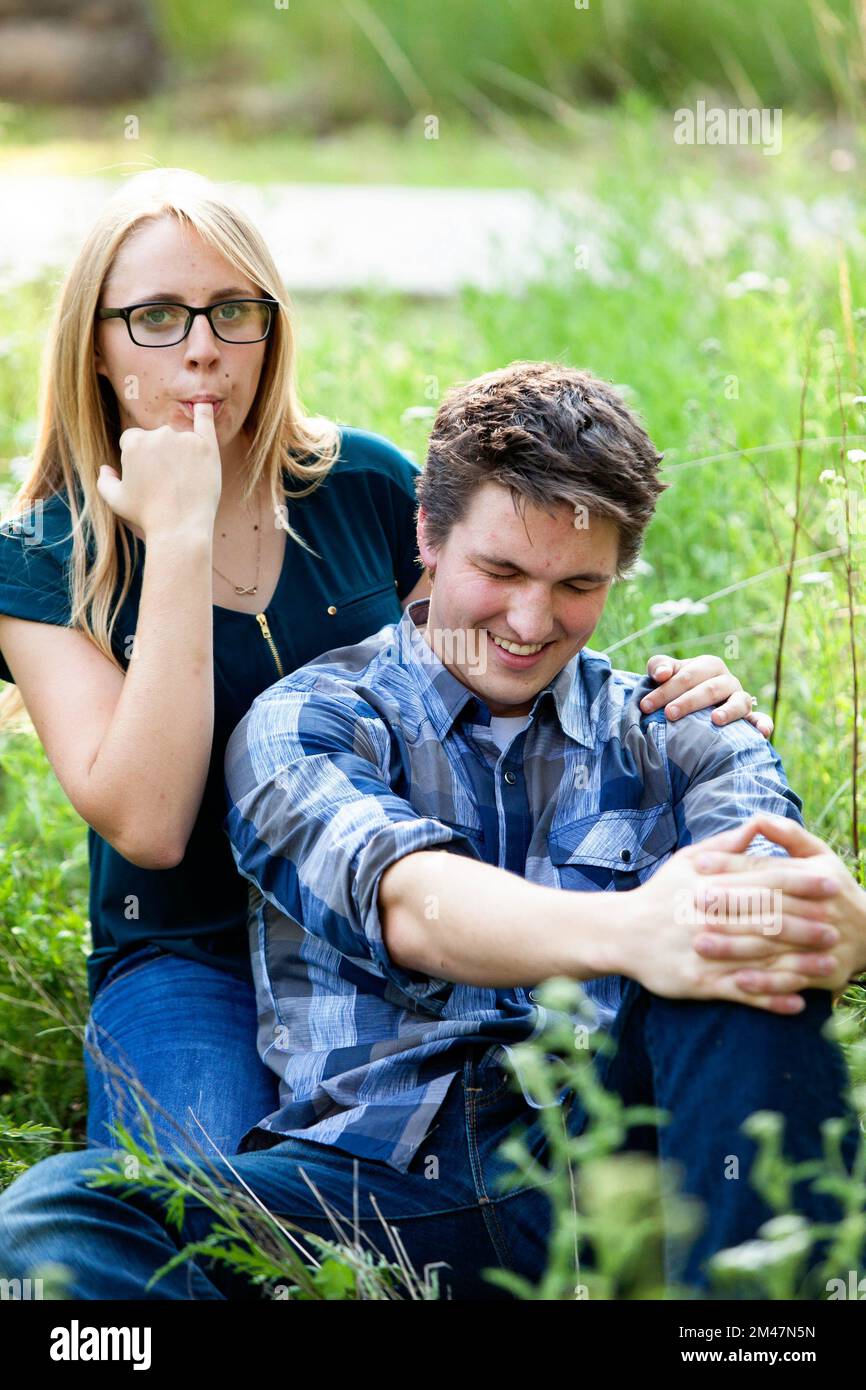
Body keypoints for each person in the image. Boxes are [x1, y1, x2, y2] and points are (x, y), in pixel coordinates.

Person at [1, 362, 862, 1300]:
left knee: (737, 964)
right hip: (368, 1190)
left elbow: (784, 904)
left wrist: (829, 930)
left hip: (601, 1157)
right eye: (501, 570)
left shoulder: (684, 728)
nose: (531, 622)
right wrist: (641, 932)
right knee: (62, 1215)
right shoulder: (309, 721)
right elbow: (408, 901)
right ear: (428, 535)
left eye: (578, 583)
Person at [0, 170, 765, 1162]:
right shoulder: (43, 554)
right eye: (153, 317)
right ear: (94, 347)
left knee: (521, 1143)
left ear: (271, 330)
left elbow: (492, 650)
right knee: (192, 1204)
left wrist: (674, 696)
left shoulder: (352, 482)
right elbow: (145, 823)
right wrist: (178, 539)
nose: (201, 349)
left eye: (233, 312)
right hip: (197, 954)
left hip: (384, 908)